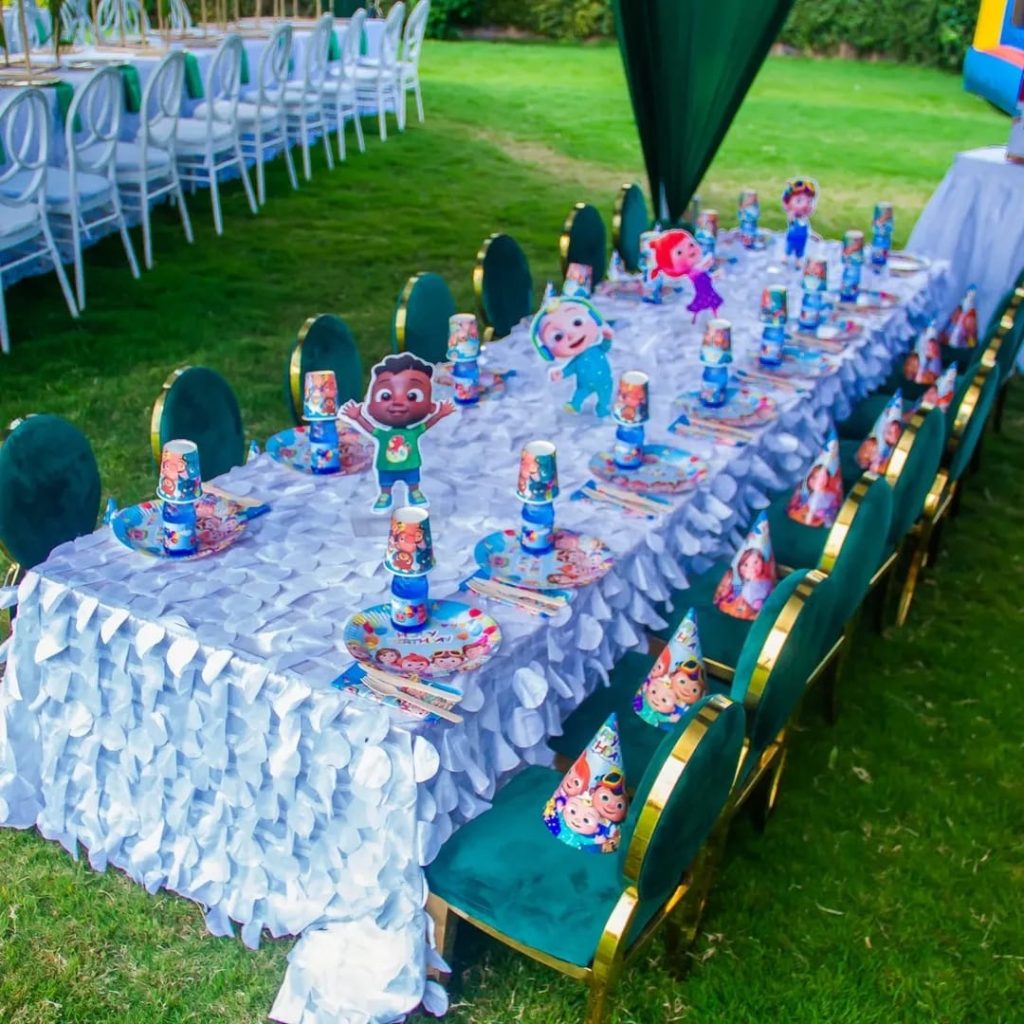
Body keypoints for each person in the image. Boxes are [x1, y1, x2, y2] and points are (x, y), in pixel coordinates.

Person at [341, 353, 455, 512]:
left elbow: (427, 424)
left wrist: (440, 414)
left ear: (431, 406)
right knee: (386, 481)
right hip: (386, 466)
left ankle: (414, 491)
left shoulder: (413, 432)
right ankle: (385, 494)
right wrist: (357, 417)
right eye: (386, 396)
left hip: (411, 464)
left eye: (412, 396)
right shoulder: (384, 434)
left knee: (413, 479)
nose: (398, 402)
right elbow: (370, 429)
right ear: (370, 406)